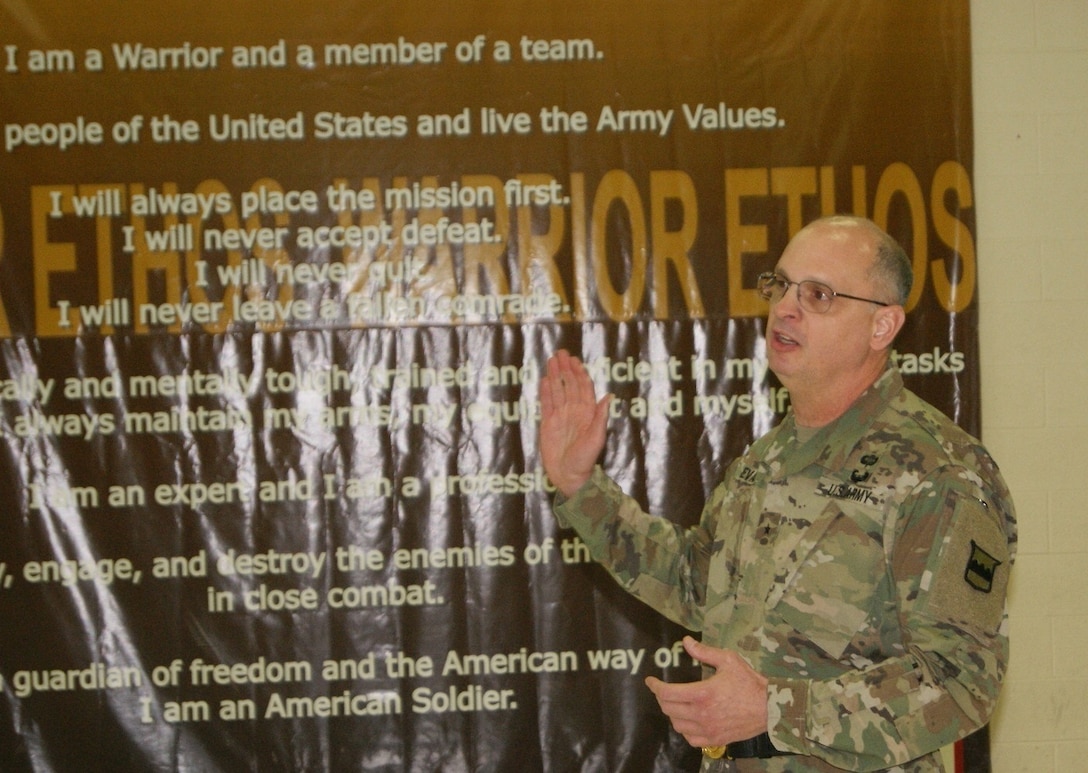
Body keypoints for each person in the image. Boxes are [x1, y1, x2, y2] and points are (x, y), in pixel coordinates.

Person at [538, 216, 1016, 772]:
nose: (786, 308)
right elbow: (696, 582)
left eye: (818, 295)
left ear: (882, 326)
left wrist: (775, 710)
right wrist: (580, 486)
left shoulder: (940, 473)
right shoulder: (765, 461)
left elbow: (961, 680)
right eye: (781, 286)